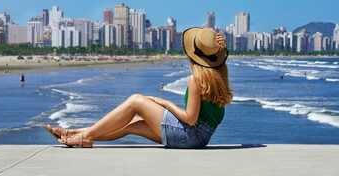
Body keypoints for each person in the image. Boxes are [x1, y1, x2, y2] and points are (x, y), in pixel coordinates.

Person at [44, 27, 233, 148]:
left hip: (189, 135)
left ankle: (85, 137)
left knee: (135, 100)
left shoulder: (196, 79)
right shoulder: (220, 76)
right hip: (200, 138)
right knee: (130, 125)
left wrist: (164, 102)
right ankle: (75, 133)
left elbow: (190, 119)